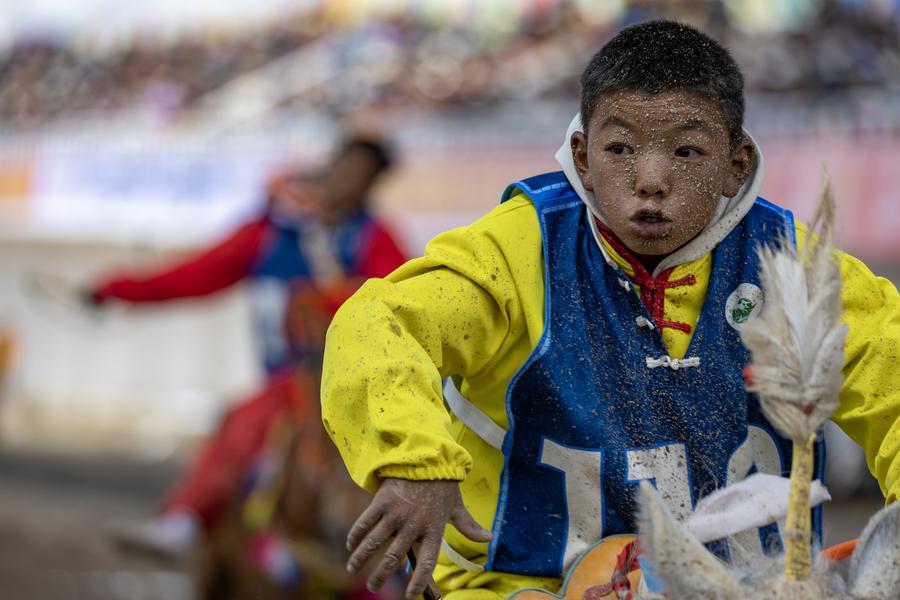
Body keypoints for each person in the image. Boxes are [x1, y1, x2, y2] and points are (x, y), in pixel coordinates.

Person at [320, 21, 900, 600]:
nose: (650, 181)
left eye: (688, 151)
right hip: (521, 588)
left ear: (737, 163)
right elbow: (379, 323)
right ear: (584, 155)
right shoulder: (515, 251)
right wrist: (415, 463)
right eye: (620, 148)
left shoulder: (795, 266)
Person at [96, 135, 407, 558]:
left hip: (354, 384)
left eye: (362, 176)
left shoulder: (374, 238)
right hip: (289, 382)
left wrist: (329, 299)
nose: (348, 181)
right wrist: (116, 289)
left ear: (372, 186)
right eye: (345, 167)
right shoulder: (270, 232)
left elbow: (401, 297)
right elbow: (196, 274)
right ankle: (187, 520)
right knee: (244, 420)